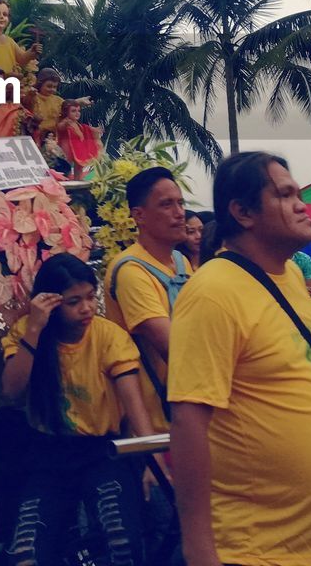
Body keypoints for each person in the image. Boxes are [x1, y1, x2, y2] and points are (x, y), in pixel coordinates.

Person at [169, 152, 311, 566]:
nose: (301, 203)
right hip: (259, 547)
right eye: (285, 194)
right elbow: (188, 421)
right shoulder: (212, 292)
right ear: (242, 211)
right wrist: (199, 548)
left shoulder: (290, 275)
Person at [1, 254, 151, 566]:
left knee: (122, 545)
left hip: (101, 453)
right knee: (25, 554)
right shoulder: (29, 332)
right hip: (46, 455)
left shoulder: (108, 336)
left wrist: (152, 459)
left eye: (90, 297)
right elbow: (11, 391)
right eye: (74, 301)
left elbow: (134, 405)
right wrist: (34, 330)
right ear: (51, 304)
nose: (87, 308)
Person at [104, 166, 191, 434]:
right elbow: (173, 348)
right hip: (155, 424)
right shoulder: (131, 271)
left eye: (180, 203)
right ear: (139, 216)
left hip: (189, 410)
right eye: (166, 204)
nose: (179, 213)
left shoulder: (181, 261)